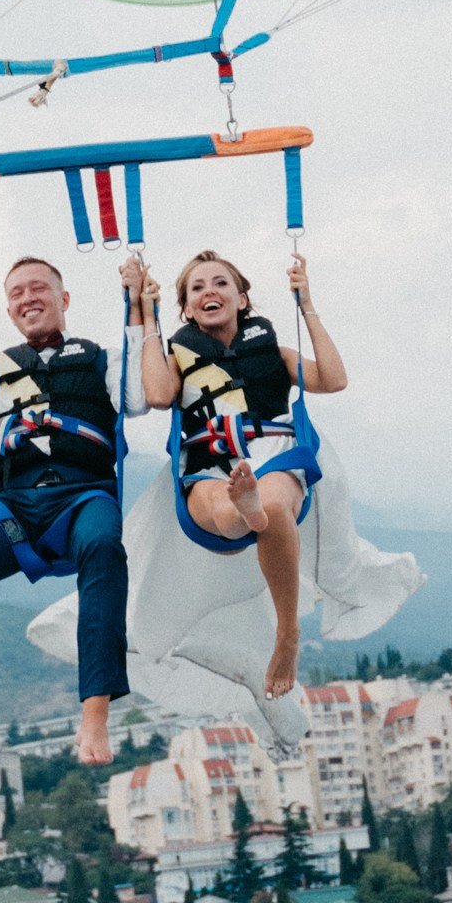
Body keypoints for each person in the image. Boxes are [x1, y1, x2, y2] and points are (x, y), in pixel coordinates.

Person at [0, 253, 156, 780]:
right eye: (17, 293)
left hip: (83, 497)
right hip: (11, 508)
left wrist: (137, 309)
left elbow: (138, 400)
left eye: (39, 288)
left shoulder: (101, 359)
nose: (29, 298)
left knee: (104, 550)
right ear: (8, 310)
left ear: (63, 299)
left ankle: (94, 716)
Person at [140, 249, 346, 702]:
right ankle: (245, 509)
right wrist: (147, 318)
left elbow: (333, 380)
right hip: (209, 465)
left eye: (220, 283)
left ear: (242, 298)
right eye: (197, 288)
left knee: (270, 503)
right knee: (225, 510)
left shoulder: (273, 351)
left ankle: (287, 634)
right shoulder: (179, 359)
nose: (209, 291)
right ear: (187, 309)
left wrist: (306, 305)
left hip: (271, 453)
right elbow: (156, 395)